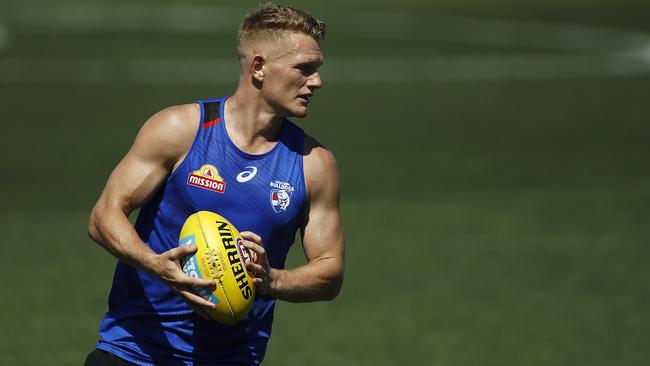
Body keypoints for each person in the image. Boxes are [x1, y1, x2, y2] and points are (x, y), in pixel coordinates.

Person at [85, 3, 344, 365]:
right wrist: (155, 264)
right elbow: (104, 216)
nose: (316, 82)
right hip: (133, 352)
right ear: (258, 67)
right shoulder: (181, 130)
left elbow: (330, 272)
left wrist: (272, 282)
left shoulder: (313, 164)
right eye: (304, 69)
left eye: (316, 70)